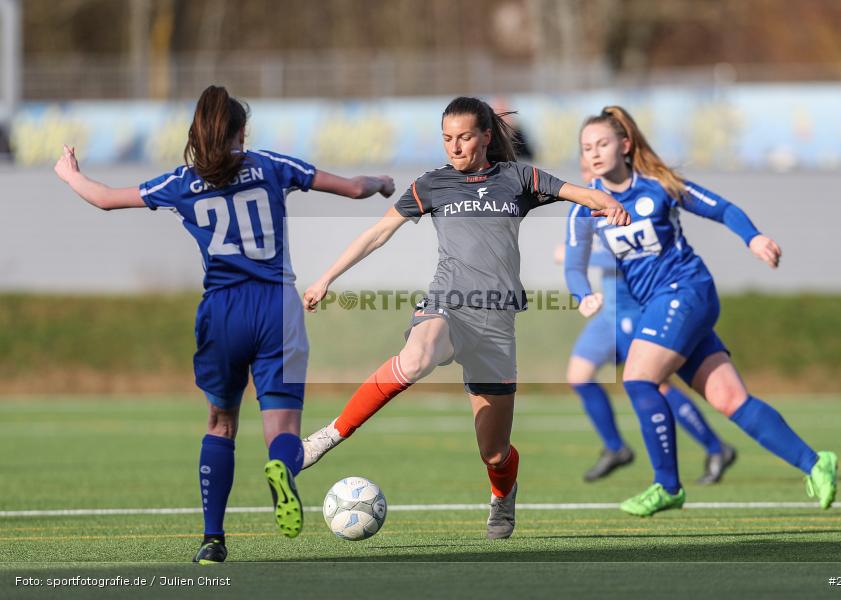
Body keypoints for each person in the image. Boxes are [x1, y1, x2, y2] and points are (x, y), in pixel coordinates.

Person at [53, 85, 395, 563]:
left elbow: (106, 199)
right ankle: (280, 467)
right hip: (276, 308)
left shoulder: (183, 182)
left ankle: (213, 541)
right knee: (283, 432)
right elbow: (355, 188)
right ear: (241, 131)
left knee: (221, 422)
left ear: (198, 133)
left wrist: (70, 174)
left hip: (222, 311)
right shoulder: (272, 165)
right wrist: (380, 181)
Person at [300, 96, 630, 539]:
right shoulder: (432, 184)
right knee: (416, 358)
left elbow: (580, 192)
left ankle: (502, 497)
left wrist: (608, 204)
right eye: (447, 139)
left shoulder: (519, 178)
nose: (454, 147)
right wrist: (326, 278)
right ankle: (329, 436)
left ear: (486, 136)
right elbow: (378, 232)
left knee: (494, 455)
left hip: (496, 323)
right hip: (447, 303)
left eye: (465, 137)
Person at [575, 106, 837, 517]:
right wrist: (581, 293)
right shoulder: (586, 206)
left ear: (625, 145)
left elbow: (722, 208)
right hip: (660, 307)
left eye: (602, 143)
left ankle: (668, 486)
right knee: (730, 398)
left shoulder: (658, 186)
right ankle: (816, 463)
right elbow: (575, 261)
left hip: (687, 290)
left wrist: (753, 238)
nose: (593, 153)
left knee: (639, 380)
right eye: (586, 147)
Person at [564, 158, 736, 484]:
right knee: (579, 375)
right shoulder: (587, 207)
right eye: (585, 171)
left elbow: (636, 249)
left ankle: (715, 446)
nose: (590, 178)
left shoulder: (625, 202)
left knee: (654, 384)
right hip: (606, 314)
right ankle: (615, 447)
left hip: (633, 310)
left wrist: (588, 256)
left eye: (592, 170)